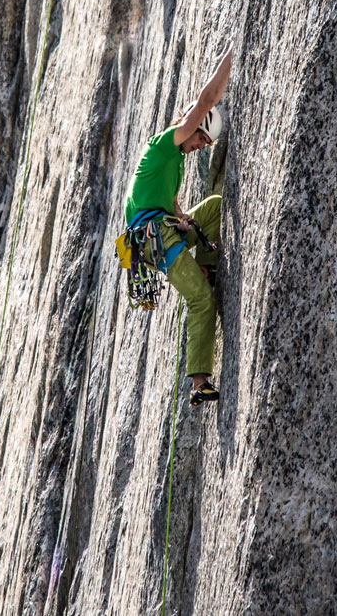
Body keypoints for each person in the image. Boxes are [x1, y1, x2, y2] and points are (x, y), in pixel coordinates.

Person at [123, 47, 233, 406]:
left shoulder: (174, 159)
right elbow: (206, 99)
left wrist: (184, 216)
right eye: (202, 138)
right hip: (153, 238)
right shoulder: (167, 143)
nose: (202, 146)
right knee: (200, 299)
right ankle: (200, 382)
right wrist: (232, 57)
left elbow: (169, 203)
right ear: (191, 127)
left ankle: (208, 268)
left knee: (214, 208)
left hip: (163, 228)